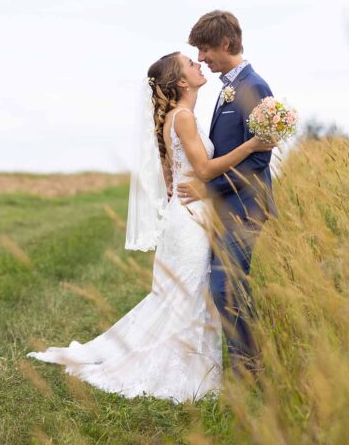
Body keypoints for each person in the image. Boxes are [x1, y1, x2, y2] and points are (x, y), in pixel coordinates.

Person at [27, 50, 275, 401]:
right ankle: (185, 373)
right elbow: (203, 171)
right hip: (191, 217)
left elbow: (171, 175)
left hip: (187, 213)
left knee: (184, 293)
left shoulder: (176, 117)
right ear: (181, 82)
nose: (199, 64)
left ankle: (196, 368)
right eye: (191, 64)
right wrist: (254, 143)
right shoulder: (184, 117)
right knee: (188, 293)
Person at [179, 10, 277, 376]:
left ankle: (250, 368)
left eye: (205, 49)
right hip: (227, 206)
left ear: (225, 43)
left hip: (247, 207)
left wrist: (208, 187)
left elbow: (259, 158)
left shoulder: (254, 86)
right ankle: (245, 362)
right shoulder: (227, 87)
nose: (201, 58)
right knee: (229, 286)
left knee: (226, 287)